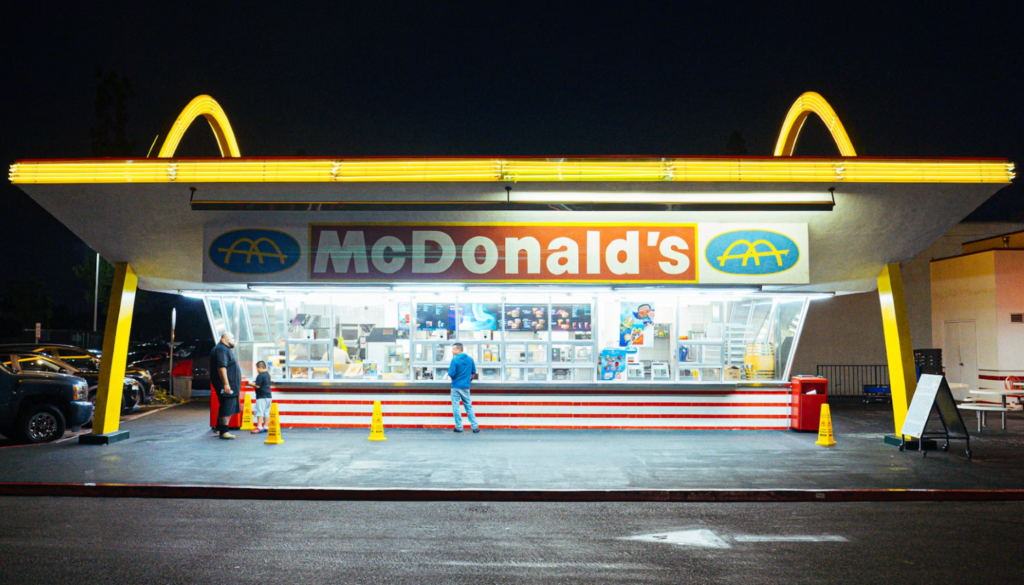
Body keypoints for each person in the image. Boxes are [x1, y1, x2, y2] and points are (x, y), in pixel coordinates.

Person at [210, 332, 242, 440]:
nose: (234, 340)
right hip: (227, 385)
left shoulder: (223, 349)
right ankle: (224, 432)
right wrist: (226, 384)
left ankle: (219, 428)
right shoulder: (222, 349)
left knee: (225, 404)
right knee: (227, 405)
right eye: (233, 338)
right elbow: (221, 367)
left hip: (229, 384)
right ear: (227, 340)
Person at [448, 343, 479, 433]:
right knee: (468, 406)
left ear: (459, 350)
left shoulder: (454, 360)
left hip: (456, 386)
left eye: (454, 349)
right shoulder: (470, 359)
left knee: (456, 407)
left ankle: (459, 427)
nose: (452, 351)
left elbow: (451, 374)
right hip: (466, 386)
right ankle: (475, 427)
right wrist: (468, 380)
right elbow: (473, 372)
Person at [251, 360, 273, 434]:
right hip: (268, 396)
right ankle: (266, 427)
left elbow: (257, 386)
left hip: (261, 396)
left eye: (257, 368)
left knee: (259, 412)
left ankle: (259, 427)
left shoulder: (260, 375)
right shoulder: (267, 374)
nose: (257, 370)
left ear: (260, 367)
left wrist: (251, 384)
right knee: (266, 412)